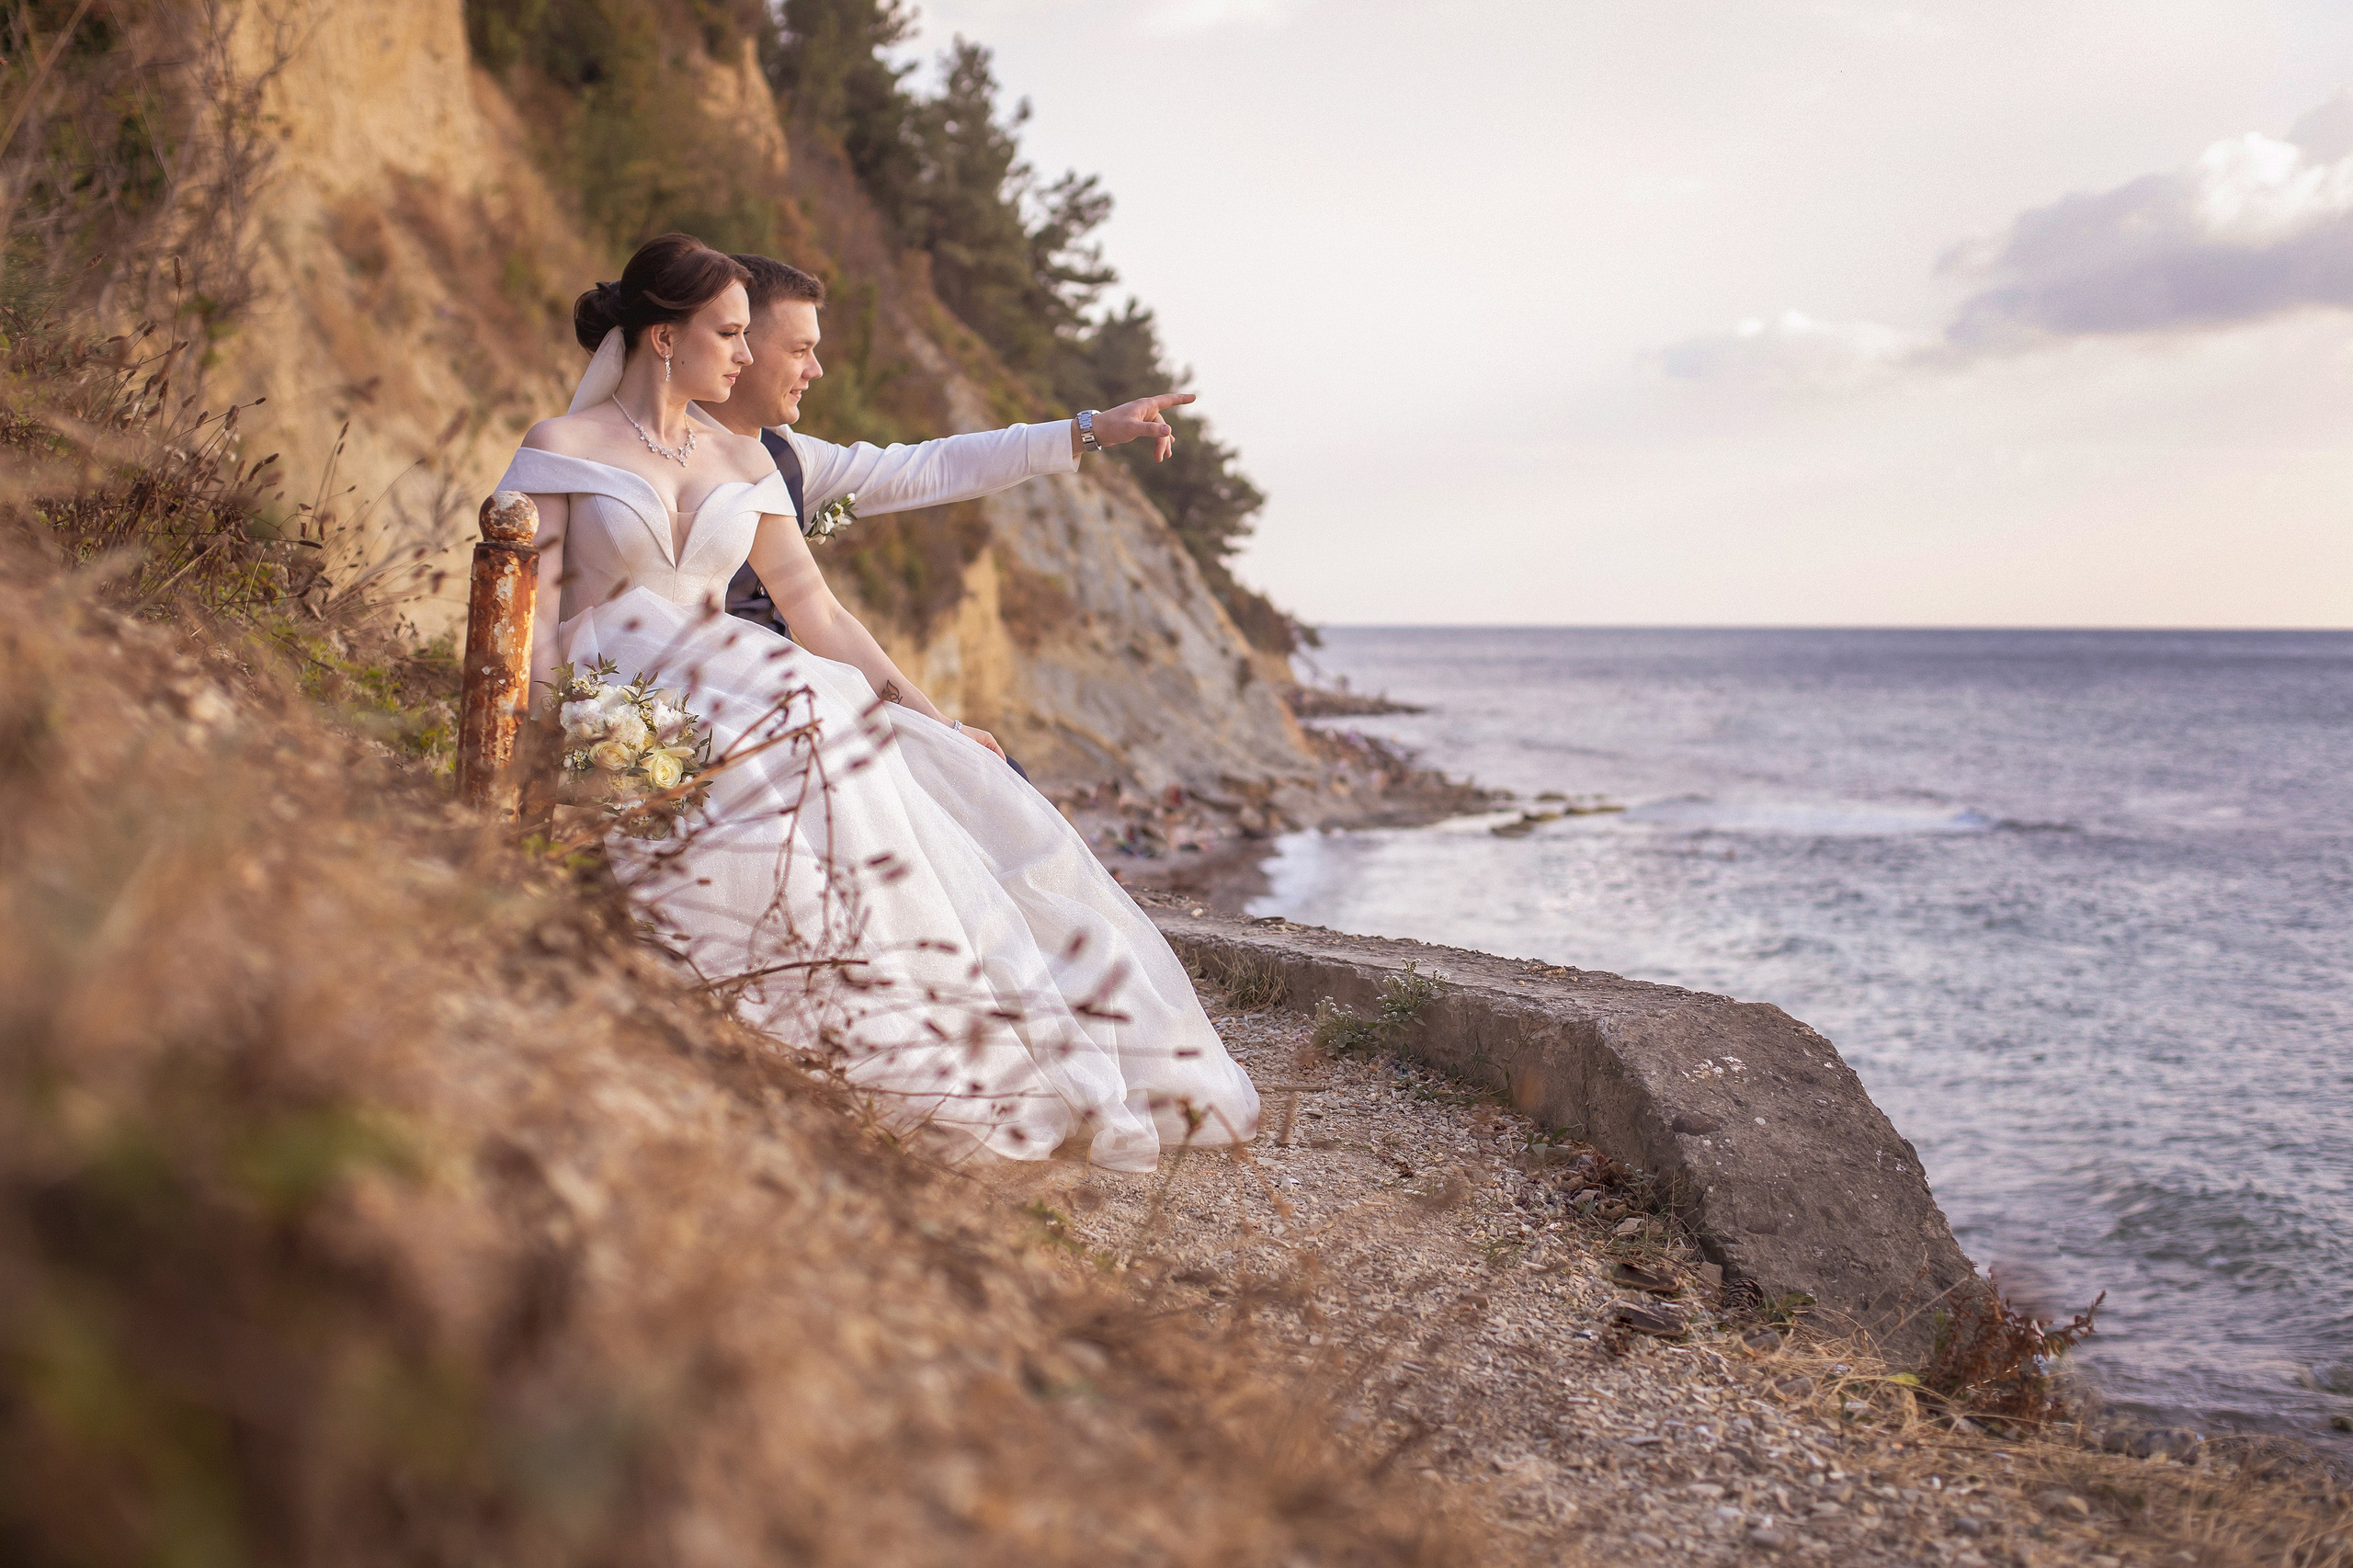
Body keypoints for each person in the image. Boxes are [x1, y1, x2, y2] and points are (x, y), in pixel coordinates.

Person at [494, 233, 1258, 1171]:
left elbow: (818, 607)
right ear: (663, 337)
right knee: (794, 747)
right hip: (611, 691)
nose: (744, 354)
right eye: (730, 334)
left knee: (859, 742)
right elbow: (530, 615)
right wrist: (551, 730)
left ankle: (903, 1033)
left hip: (737, 674)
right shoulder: (562, 447)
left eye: (749, 336)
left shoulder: (750, 461)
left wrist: (936, 718)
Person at [706, 252, 1195, 642]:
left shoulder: (791, 458)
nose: (816, 370)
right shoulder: (667, 451)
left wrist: (1089, 431)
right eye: (799, 351)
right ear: (737, 344)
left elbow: (934, 466)